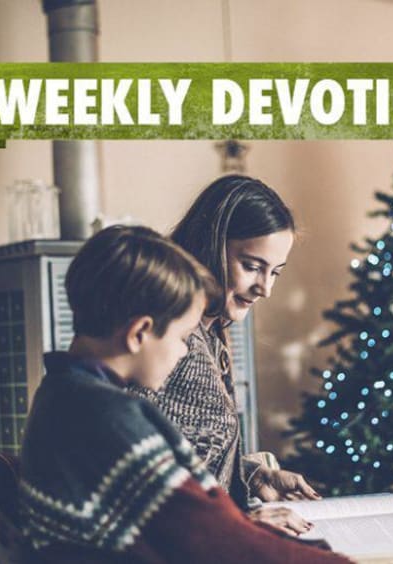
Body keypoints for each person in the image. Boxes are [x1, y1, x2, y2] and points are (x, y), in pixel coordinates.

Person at [18, 225, 352, 563]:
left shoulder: (60, 394)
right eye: (181, 338)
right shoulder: (108, 417)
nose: (182, 353)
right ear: (140, 333)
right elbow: (212, 540)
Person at [128, 175, 320, 537]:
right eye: (251, 266)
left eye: (275, 272)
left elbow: (189, 457)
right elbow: (134, 482)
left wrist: (252, 476)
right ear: (210, 245)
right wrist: (241, 522)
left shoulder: (211, 333)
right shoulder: (167, 341)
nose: (265, 288)